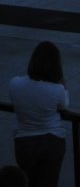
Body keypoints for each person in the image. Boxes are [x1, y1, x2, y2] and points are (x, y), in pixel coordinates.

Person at [9, 41, 69, 187]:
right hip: (51, 142)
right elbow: (65, 104)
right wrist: (61, 79)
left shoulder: (15, 83)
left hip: (24, 142)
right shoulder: (57, 90)